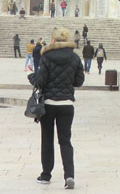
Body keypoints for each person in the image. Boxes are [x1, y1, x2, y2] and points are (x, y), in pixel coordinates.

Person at [28, 27, 84, 189]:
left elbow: (41, 82)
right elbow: (79, 81)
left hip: (49, 104)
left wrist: (33, 77)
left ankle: (46, 175)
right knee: (65, 141)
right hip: (67, 104)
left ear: (52, 40)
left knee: (47, 139)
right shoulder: (74, 58)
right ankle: (69, 176)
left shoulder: (46, 57)